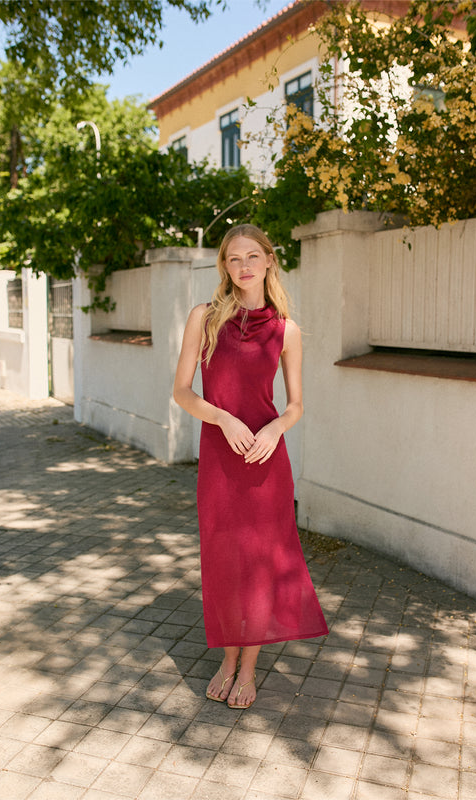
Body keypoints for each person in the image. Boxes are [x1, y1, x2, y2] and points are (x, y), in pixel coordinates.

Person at [173, 224, 328, 710]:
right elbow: (181, 392)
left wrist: (276, 428)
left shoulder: (287, 329)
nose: (244, 266)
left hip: (265, 460)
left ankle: (248, 666)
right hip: (221, 458)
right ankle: (226, 655)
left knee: (260, 562)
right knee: (223, 558)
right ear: (224, 265)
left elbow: (297, 404)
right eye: (234, 258)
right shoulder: (205, 317)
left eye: (253, 256)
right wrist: (221, 418)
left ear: (268, 261)